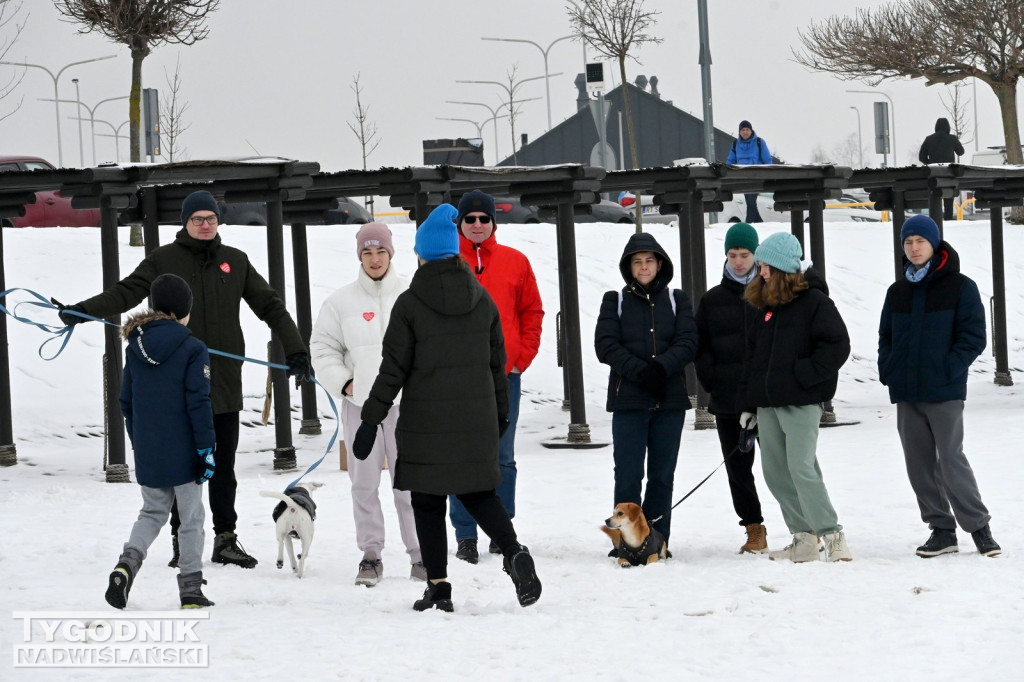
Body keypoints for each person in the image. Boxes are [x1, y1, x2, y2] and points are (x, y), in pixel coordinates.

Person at [58, 190, 310, 569]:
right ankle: (182, 541)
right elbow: (126, 292)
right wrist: (82, 311)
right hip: (177, 387)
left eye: (211, 218)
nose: (205, 225)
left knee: (223, 467)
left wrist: (296, 350)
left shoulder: (235, 261)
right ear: (185, 222)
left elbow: (270, 306)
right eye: (197, 219)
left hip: (223, 383)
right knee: (183, 470)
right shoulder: (164, 260)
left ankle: (225, 538)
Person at [351, 203, 541, 612]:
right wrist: (500, 414)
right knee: (479, 493)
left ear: (421, 254)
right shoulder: (482, 300)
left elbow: (392, 370)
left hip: (425, 422)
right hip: (476, 418)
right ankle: (513, 551)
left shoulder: (409, 304)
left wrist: (370, 419)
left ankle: (438, 587)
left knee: (427, 501)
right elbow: (497, 364)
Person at [877, 214, 1001, 558]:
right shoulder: (897, 291)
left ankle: (979, 527)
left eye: (920, 241)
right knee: (918, 464)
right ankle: (942, 530)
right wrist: (889, 369)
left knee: (950, 459)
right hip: (907, 390)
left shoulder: (960, 286)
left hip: (944, 389)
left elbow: (973, 337)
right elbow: (886, 336)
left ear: (934, 244)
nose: (914, 248)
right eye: (908, 242)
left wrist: (950, 367)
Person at [310, 223, 425, 586]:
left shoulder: (413, 293)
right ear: (359, 256)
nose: (375, 260)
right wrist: (345, 383)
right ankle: (371, 555)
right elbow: (323, 348)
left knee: (410, 484)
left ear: (391, 253)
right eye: (367, 253)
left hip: (407, 407)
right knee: (363, 483)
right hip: (361, 408)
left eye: (380, 252)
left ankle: (421, 554)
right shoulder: (340, 302)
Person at [739, 232, 852, 563]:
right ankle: (803, 537)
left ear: (782, 268)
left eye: (766, 266)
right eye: (760, 266)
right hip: (768, 405)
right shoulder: (765, 306)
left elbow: (838, 346)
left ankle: (833, 536)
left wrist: (805, 376)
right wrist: (749, 405)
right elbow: (753, 359)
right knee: (775, 472)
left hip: (801, 403)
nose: (760, 272)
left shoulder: (816, 303)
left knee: (802, 468)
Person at [105, 274, 216, 610]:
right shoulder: (194, 349)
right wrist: (206, 449)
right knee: (191, 517)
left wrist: (139, 441)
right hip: (185, 451)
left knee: (152, 512)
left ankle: (127, 564)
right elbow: (198, 402)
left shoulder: (134, 347)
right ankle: (191, 589)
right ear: (184, 310)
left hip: (149, 449)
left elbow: (126, 402)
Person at [449, 189, 544, 564]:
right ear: (460, 223)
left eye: (483, 218)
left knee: (502, 456)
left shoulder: (515, 261)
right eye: (470, 219)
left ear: (493, 222)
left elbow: (532, 312)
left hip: (504, 376)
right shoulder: (444, 261)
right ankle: (465, 535)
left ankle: (501, 531)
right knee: (461, 457)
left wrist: (521, 358)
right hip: (457, 379)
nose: (477, 224)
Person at [594, 232, 698, 552]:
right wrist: (641, 371)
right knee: (627, 475)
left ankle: (656, 540)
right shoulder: (615, 300)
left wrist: (661, 368)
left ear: (659, 264)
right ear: (629, 266)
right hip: (629, 400)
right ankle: (626, 543)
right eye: (637, 261)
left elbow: (688, 341)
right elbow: (605, 345)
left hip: (669, 401)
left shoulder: (677, 299)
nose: (643, 267)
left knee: (662, 475)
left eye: (649, 261)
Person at [695, 223, 769, 554]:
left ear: (756, 255)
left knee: (783, 466)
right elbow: (700, 346)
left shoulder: (770, 293)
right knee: (738, 470)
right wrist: (712, 381)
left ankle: (804, 527)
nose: (738, 261)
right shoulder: (712, 300)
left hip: (768, 398)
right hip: (729, 400)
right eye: (733, 254)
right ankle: (754, 528)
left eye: (745, 254)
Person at [726, 119, 773, 223]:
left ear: (751, 131)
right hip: (742, 179)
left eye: (747, 129)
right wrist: (726, 172)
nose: (745, 132)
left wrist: (768, 175)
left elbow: (767, 160)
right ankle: (760, 224)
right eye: (743, 130)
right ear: (739, 132)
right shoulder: (735, 144)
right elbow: (730, 161)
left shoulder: (759, 142)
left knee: (751, 203)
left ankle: (748, 224)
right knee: (751, 203)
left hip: (756, 178)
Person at [918, 118, 966, 220]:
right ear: (948, 127)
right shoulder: (952, 138)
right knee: (948, 199)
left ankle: (935, 219)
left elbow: (921, 157)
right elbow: (961, 152)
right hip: (949, 173)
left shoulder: (929, 139)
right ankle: (948, 219)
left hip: (933, 173)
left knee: (935, 198)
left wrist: (930, 164)